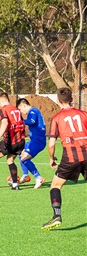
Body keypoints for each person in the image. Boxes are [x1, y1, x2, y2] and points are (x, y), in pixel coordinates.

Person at [41, 87, 87, 231]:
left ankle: (57, 216)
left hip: (70, 157)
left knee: (55, 186)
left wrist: (51, 159)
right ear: (72, 99)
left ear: (57, 101)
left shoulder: (56, 118)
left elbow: (52, 143)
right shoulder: (84, 114)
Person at [13, 98, 47, 189]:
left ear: (23, 105)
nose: (21, 112)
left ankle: (38, 177)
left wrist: (20, 122)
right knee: (21, 153)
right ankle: (25, 175)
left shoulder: (33, 111)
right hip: (34, 140)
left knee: (24, 159)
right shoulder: (33, 111)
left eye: (20, 109)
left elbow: (32, 122)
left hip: (38, 140)